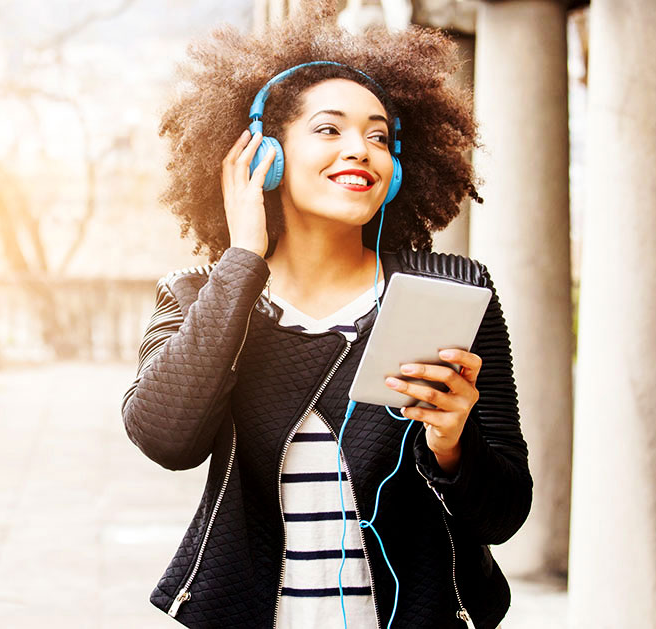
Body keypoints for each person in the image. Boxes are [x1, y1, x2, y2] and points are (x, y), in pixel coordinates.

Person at [121, 8, 530, 628]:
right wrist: (241, 260)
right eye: (329, 129)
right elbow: (165, 441)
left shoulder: (453, 291)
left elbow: (503, 514)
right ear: (265, 155)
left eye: (378, 137)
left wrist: (452, 444)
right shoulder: (199, 295)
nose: (360, 150)